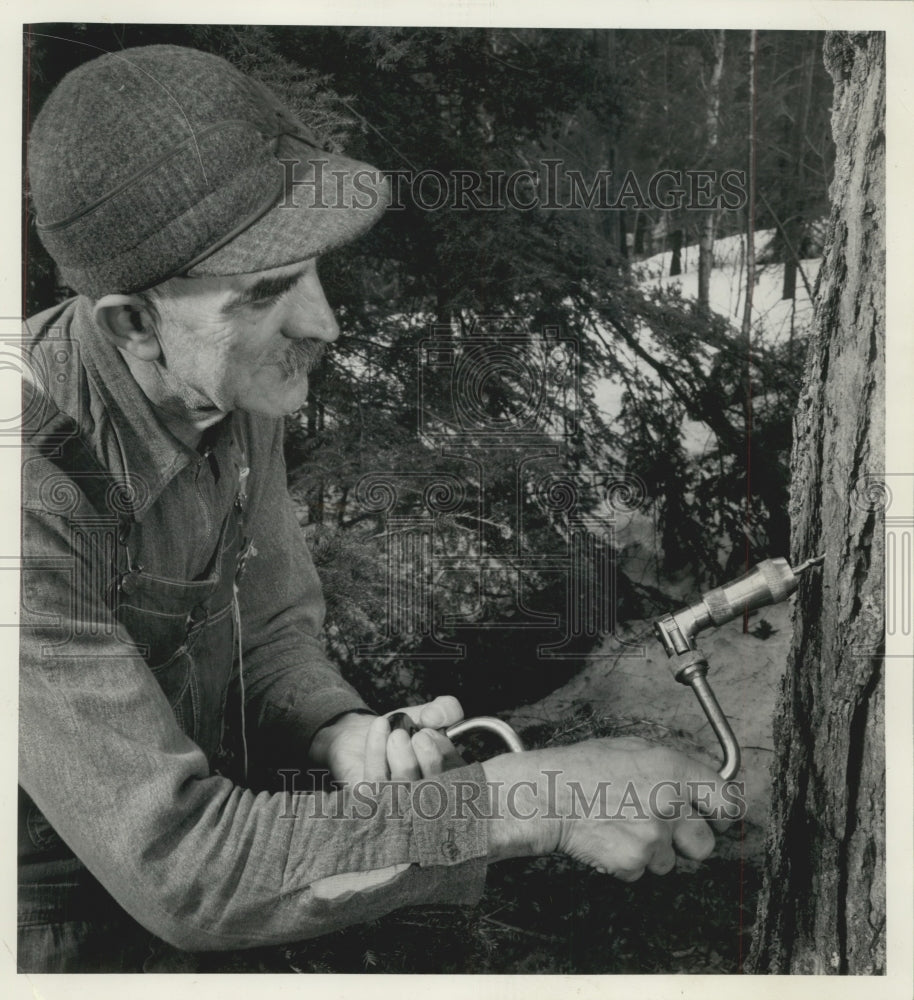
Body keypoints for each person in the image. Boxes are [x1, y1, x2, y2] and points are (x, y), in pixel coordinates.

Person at [19, 44, 734, 973]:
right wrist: (535, 799)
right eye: (269, 292)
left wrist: (338, 730)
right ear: (133, 323)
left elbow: (270, 626)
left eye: (313, 270)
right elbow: (184, 867)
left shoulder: (224, 384)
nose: (326, 324)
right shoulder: (26, 498)